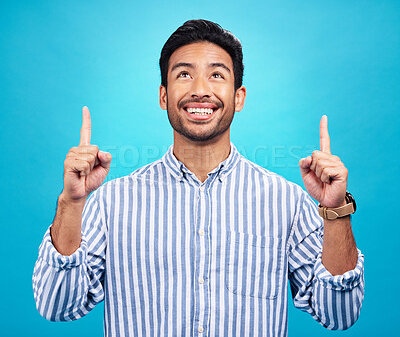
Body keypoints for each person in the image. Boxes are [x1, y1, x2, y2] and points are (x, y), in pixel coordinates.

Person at [33, 19, 364, 337]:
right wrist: (72, 203)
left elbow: (338, 312)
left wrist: (335, 212)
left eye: (217, 75)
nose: (200, 90)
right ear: (164, 96)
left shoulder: (285, 201)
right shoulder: (111, 201)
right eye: (184, 74)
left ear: (239, 96)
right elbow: (57, 305)